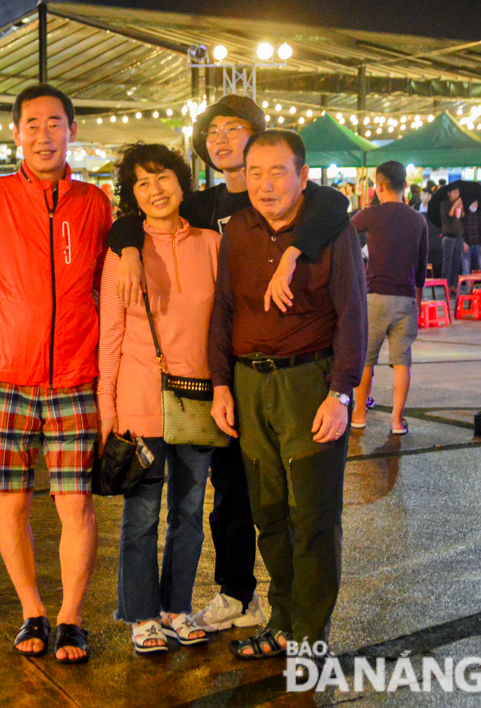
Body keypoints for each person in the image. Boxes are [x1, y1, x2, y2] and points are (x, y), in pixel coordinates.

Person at [105, 94, 350, 635]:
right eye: (211, 131)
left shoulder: (306, 204)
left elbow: (337, 207)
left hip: (284, 377)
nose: (220, 139)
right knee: (232, 499)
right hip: (216, 380)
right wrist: (125, 249)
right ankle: (235, 593)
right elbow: (138, 218)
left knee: (274, 501)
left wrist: (292, 253)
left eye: (233, 128)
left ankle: (280, 613)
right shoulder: (204, 206)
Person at [0, 83, 111, 664]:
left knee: (76, 504)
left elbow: (104, 283)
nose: (43, 134)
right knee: (11, 500)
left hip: (75, 374)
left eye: (55, 123)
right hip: (4, 376)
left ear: (71, 130)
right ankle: (32, 611)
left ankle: (70, 616)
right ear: (15, 133)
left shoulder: (95, 203)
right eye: (32, 124)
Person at [208, 129, 366, 661]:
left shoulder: (329, 231)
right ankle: (281, 618)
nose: (266, 184)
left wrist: (341, 394)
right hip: (250, 383)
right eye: (255, 173)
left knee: (314, 515)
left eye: (279, 172)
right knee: (268, 512)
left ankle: (309, 632)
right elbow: (224, 310)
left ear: (303, 176)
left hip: (309, 382)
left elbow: (353, 317)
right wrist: (221, 385)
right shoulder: (240, 230)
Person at [98, 143, 218, 654]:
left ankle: (177, 607)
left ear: (182, 180)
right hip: (140, 398)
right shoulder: (123, 251)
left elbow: (224, 325)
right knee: (142, 514)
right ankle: (142, 615)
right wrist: (109, 411)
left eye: (162, 177)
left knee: (189, 512)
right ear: (132, 194)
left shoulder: (212, 244)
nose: (155, 190)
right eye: (142, 183)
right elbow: (111, 336)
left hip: (198, 400)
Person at [348, 161, 429, 435]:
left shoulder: (369, 214)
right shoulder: (418, 220)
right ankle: (396, 421)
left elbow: (346, 233)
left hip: (374, 298)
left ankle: (359, 416)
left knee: (366, 362)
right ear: (405, 185)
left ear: (378, 185)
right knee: (402, 361)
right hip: (405, 299)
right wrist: (416, 299)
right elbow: (422, 264)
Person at [439, 185, 464, 296]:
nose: (456, 195)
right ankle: (445, 285)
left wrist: (461, 208)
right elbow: (449, 215)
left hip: (458, 235)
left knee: (456, 261)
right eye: (454, 192)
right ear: (449, 193)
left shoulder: (458, 204)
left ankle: (453, 285)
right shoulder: (444, 204)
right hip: (448, 236)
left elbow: (461, 216)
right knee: (447, 262)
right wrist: (455, 205)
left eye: (458, 193)